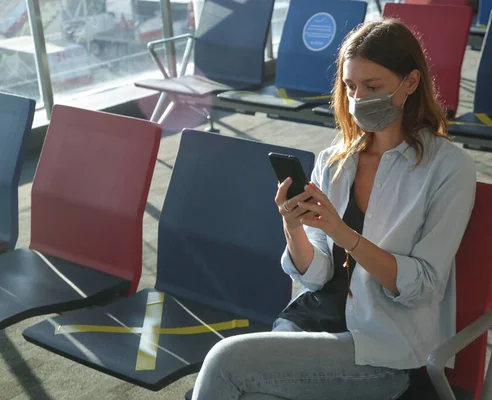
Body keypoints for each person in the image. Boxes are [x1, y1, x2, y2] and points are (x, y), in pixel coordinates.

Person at [191, 19, 476, 400]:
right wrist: (293, 227)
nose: (359, 99)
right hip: (315, 321)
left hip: (382, 348)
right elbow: (316, 274)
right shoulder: (336, 159)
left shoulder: (447, 168)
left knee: (226, 361)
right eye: (350, 86)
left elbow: (421, 286)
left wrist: (344, 233)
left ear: (410, 82)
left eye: (373, 87)